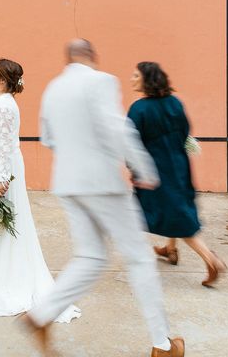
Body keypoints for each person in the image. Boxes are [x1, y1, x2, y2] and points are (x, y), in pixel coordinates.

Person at [22, 39, 185, 357]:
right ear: (92, 56)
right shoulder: (101, 81)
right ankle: (162, 343)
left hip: (68, 183)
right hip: (102, 183)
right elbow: (117, 128)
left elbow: (49, 138)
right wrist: (143, 168)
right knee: (139, 257)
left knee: (90, 258)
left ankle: (40, 315)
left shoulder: (53, 89)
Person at [0, 58, 81, 322]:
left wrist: (1, 178)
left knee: (2, 225)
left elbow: (6, 143)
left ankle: (4, 280)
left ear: (3, 79)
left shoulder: (5, 105)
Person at [128, 61, 227, 287]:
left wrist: (134, 170)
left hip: (154, 171)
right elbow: (185, 132)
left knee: (177, 218)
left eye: (136, 76)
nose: (132, 79)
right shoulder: (175, 103)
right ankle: (170, 249)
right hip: (178, 165)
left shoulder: (139, 109)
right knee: (176, 208)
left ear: (147, 79)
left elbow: (131, 143)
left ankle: (211, 260)